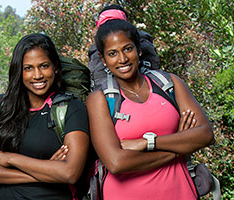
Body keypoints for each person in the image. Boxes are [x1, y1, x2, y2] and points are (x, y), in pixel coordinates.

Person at [86, 5, 214, 200]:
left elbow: (205, 134)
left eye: (128, 49)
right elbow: (116, 163)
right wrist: (179, 146)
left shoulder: (169, 84)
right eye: (112, 53)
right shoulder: (100, 99)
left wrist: (146, 143)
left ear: (138, 49)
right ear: (103, 60)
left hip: (181, 193)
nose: (122, 59)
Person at [0, 33, 90, 200]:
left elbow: (70, 173)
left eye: (44, 66)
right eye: (28, 68)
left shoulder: (71, 109)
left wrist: (10, 158)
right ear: (19, 71)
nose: (37, 75)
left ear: (55, 67)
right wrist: (47, 172)